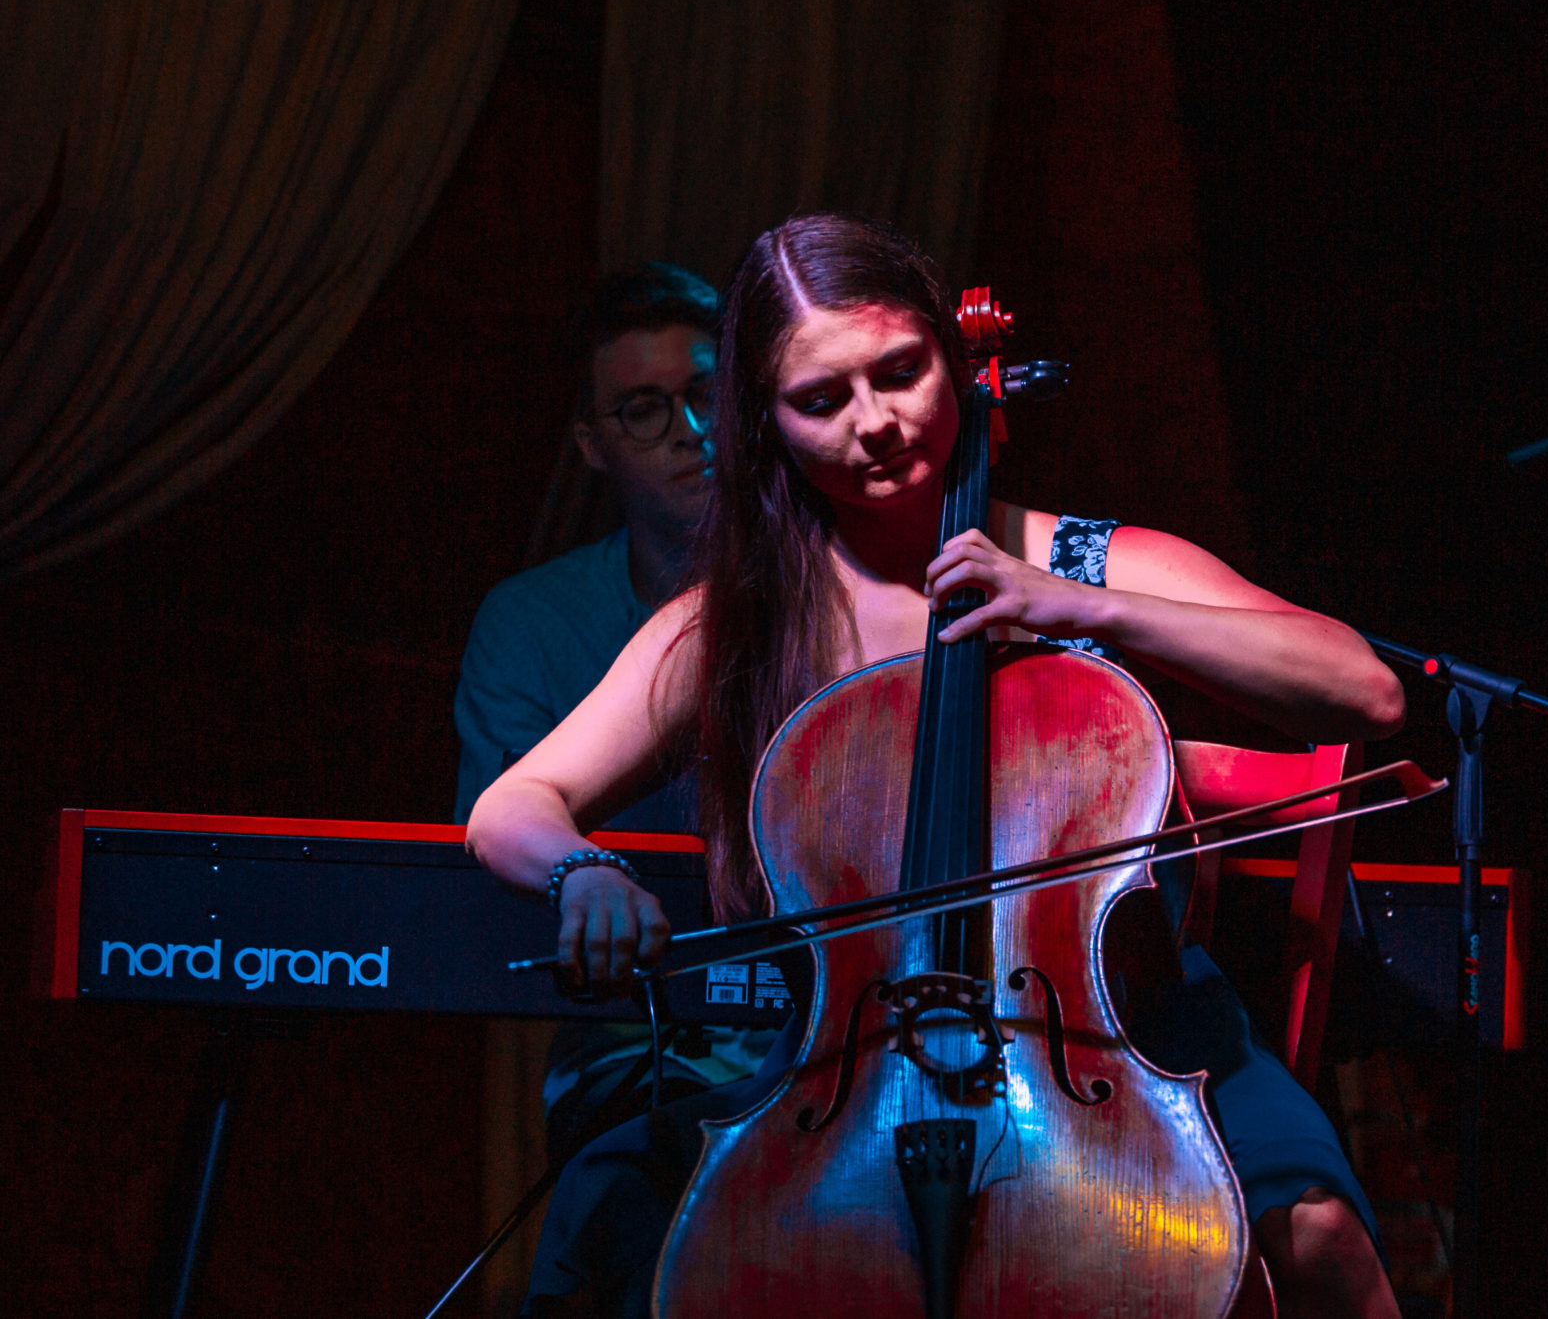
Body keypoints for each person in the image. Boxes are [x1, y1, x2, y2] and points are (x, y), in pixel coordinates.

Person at [468, 213, 1408, 1319]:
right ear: (765, 422)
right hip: (852, 1060)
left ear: (953, 361)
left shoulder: (1079, 559)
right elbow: (514, 803)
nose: (874, 423)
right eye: (821, 399)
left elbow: (1365, 689)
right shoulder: (741, 622)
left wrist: (1087, 608)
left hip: (1118, 1032)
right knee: (612, 1209)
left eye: (901, 372)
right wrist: (580, 870)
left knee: (1318, 1231)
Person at [453, 263, 770, 1159]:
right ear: (593, 444)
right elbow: (497, 839)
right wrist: (582, 872)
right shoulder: (532, 621)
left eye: (706, 395)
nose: (692, 433)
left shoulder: (831, 587)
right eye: (644, 409)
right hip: (641, 1038)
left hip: (833, 1020)